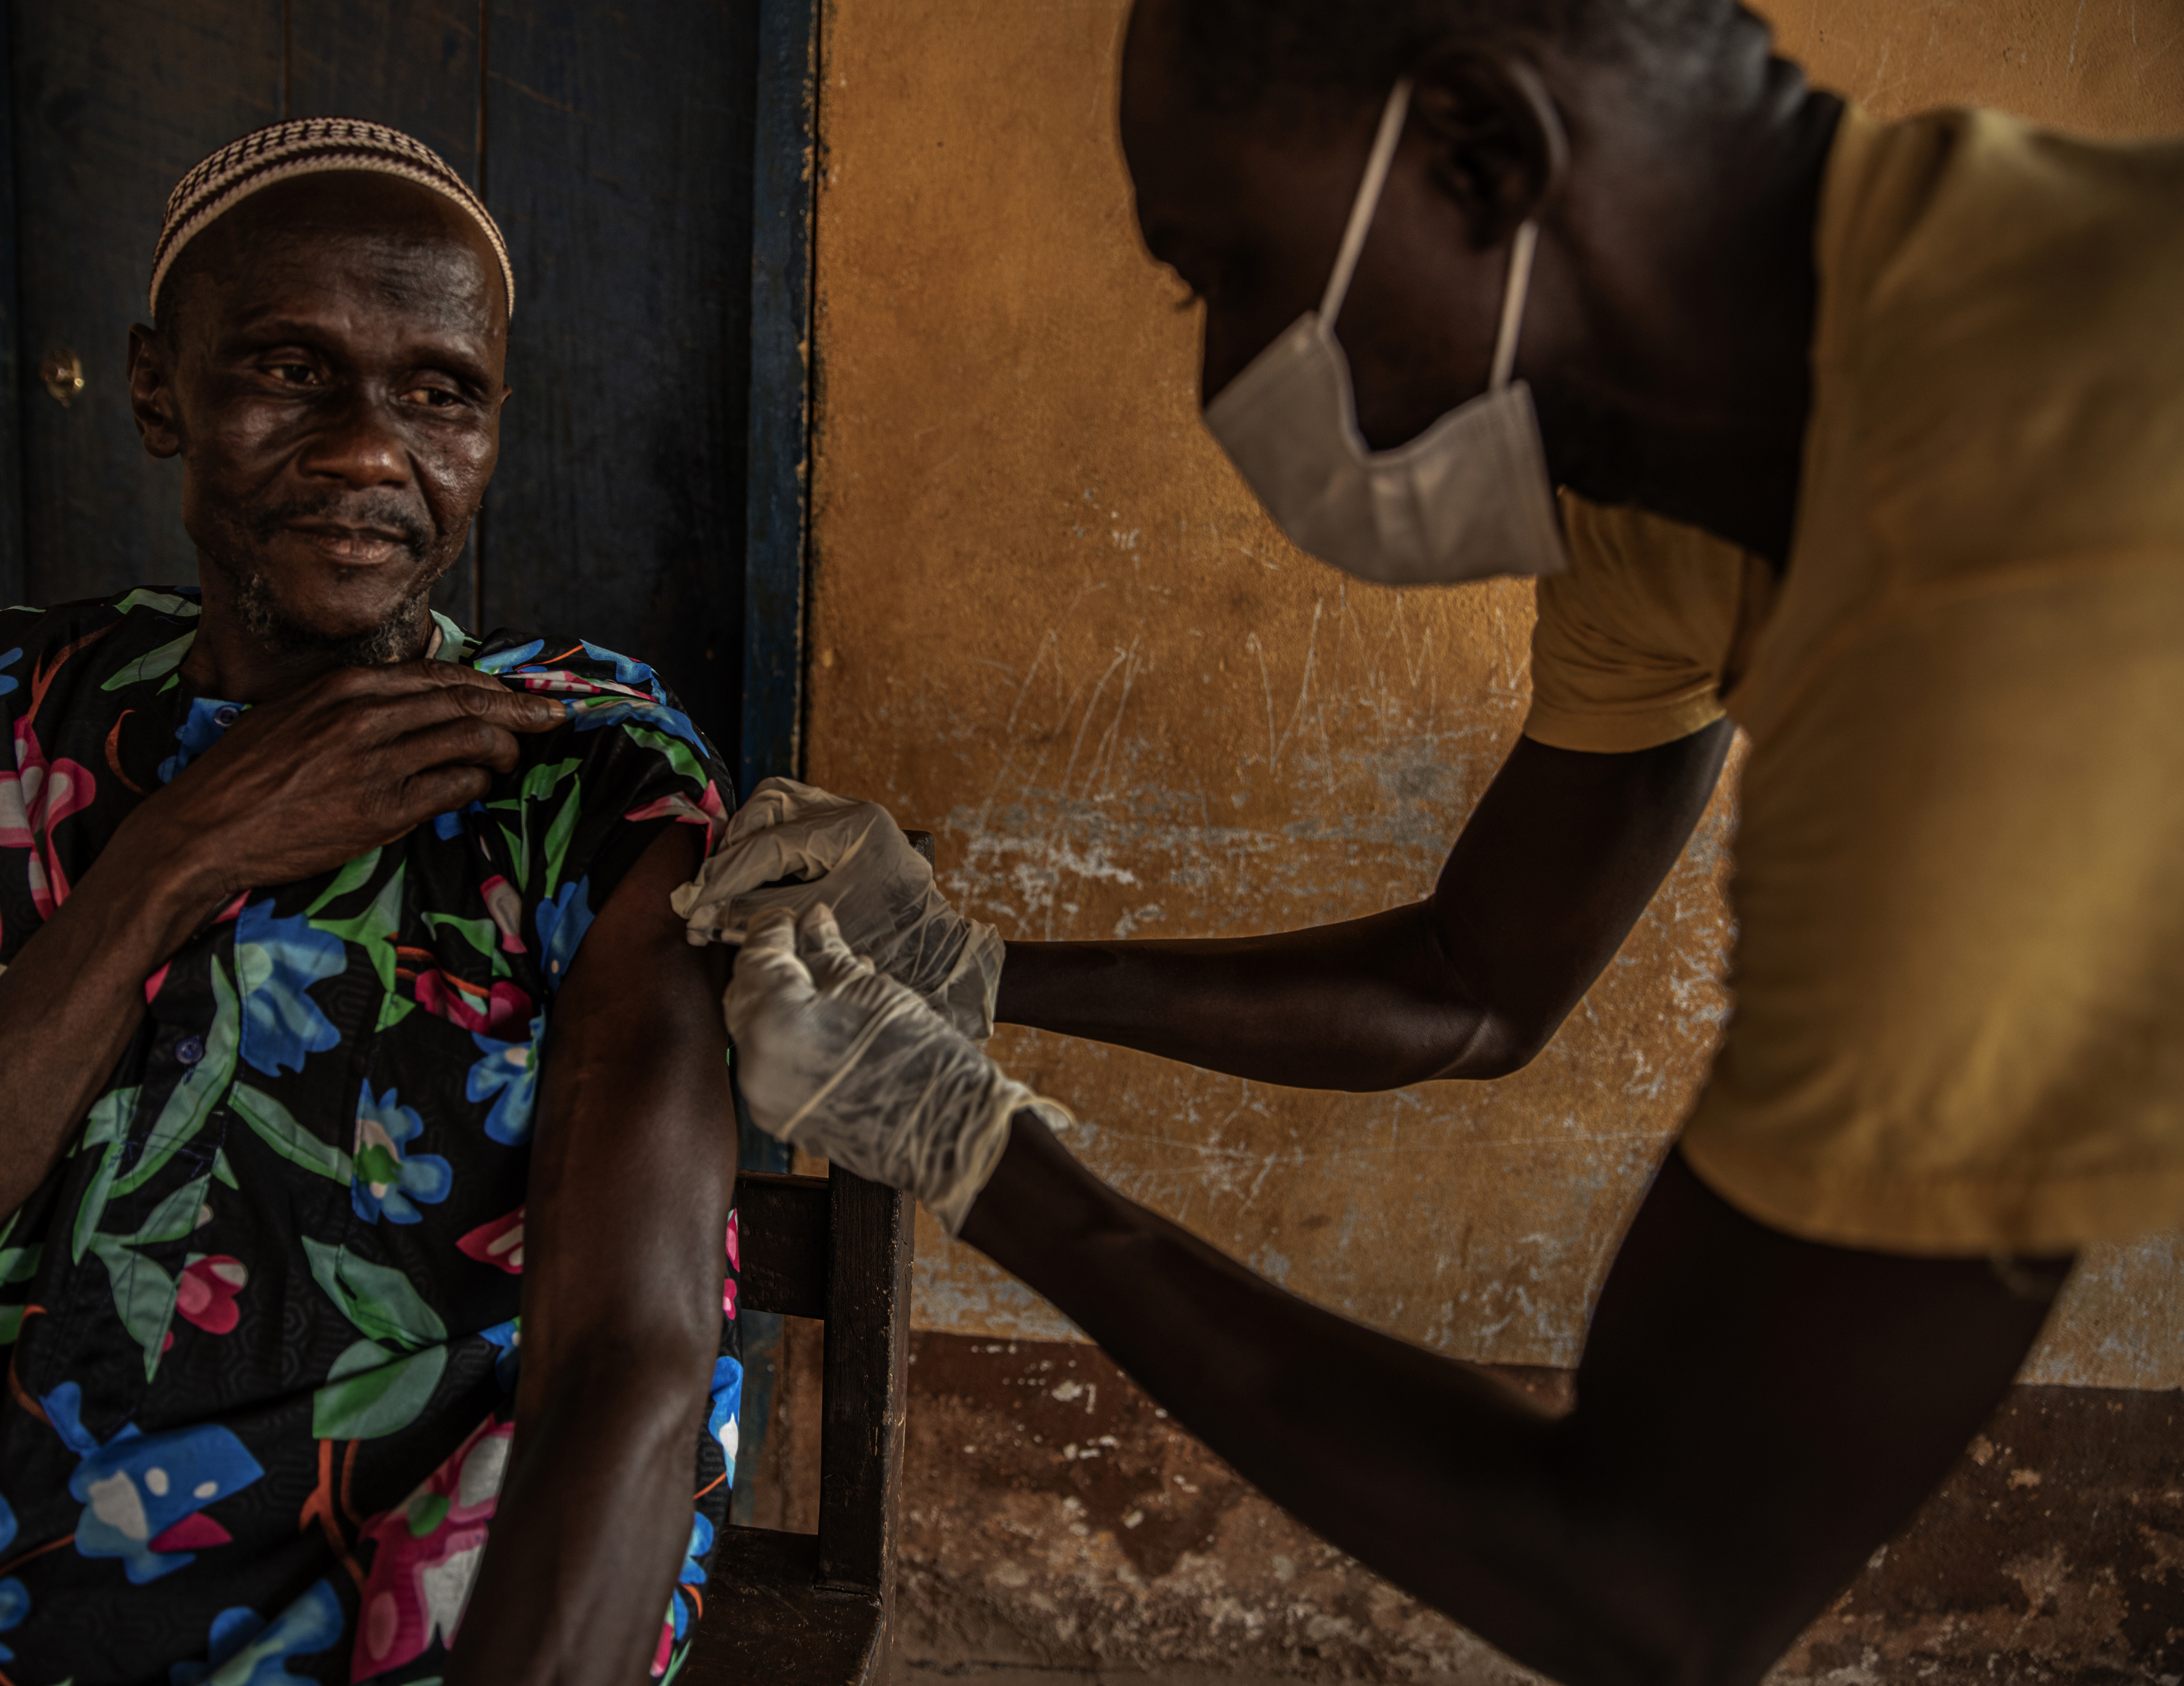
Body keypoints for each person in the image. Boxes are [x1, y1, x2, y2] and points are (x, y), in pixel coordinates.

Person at [682, 0, 2184, 1680]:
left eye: (1228, 271)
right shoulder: (1672, 504)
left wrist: (968, 1147)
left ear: (1476, 150)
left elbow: (1660, 1579)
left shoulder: (2018, 562)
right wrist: (973, 969)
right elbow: (1478, 989)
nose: (1220, 377)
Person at [0, 120, 743, 1686]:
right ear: (159, 389)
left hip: (421, 1615)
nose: (374, 451)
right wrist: (176, 858)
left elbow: (633, 1366)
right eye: (292, 372)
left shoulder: (583, 773)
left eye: (442, 393)